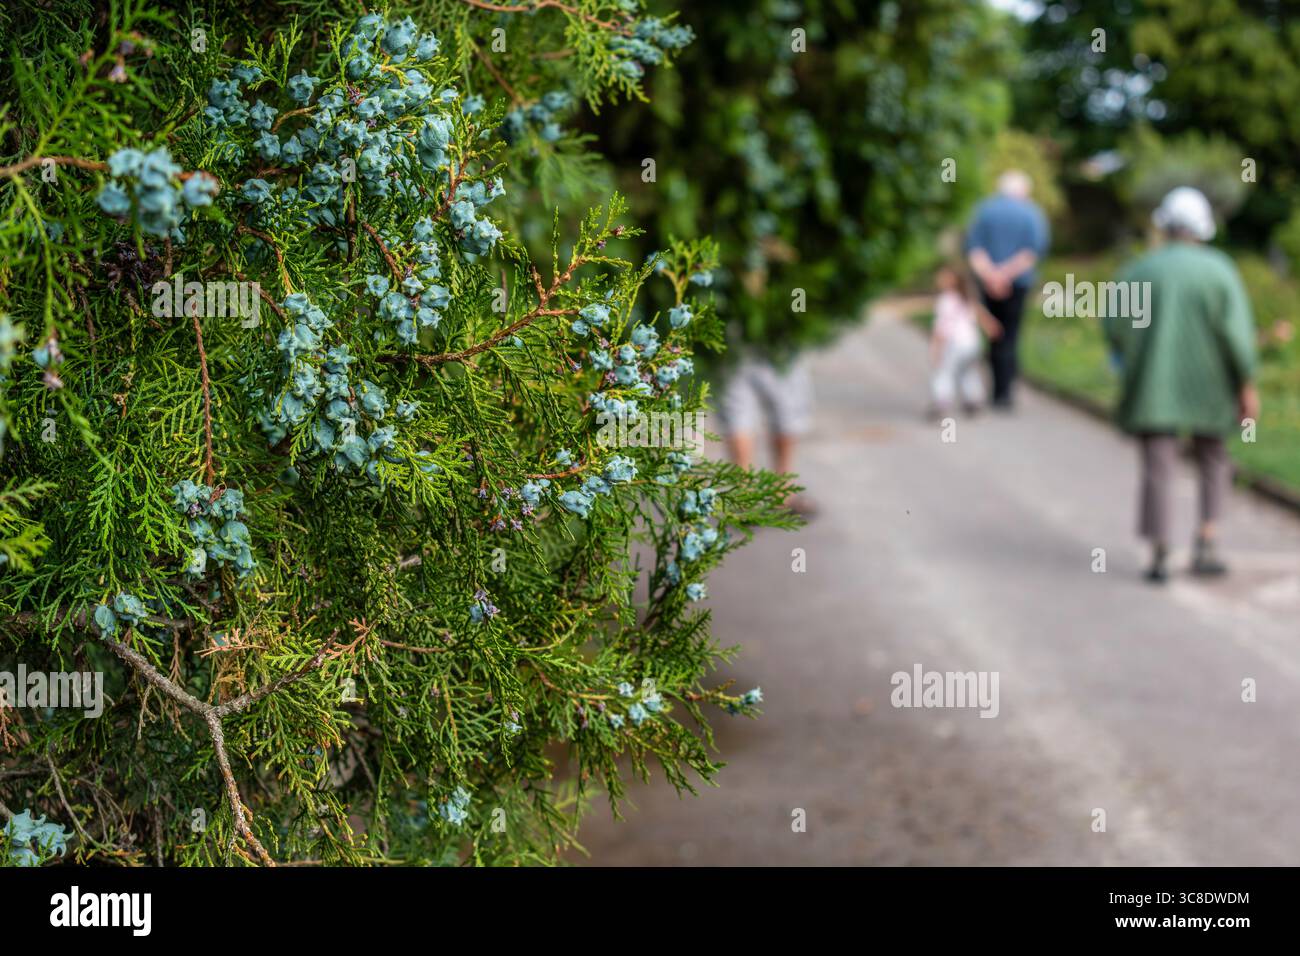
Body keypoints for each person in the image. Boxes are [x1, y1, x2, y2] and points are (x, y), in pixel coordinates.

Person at [1103, 187, 1260, 584]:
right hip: (1211, 386)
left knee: (1158, 466)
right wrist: (1246, 384)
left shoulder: (1140, 271)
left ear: (1165, 226)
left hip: (1156, 384)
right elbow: (1237, 336)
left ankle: (1159, 550)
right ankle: (1207, 541)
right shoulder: (1220, 271)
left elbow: (1115, 328)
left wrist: (1134, 360)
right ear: (1202, 228)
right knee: (1213, 460)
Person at [964, 170, 1050, 409]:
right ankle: (1005, 392)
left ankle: (996, 389)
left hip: (987, 282)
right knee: (1010, 335)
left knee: (992, 334)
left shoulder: (983, 210)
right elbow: (1031, 252)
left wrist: (991, 275)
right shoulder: (1032, 213)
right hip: (1017, 283)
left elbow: (974, 250)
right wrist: (1006, 275)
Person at [719, 351, 816, 515]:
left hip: (731, 343)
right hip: (777, 341)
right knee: (786, 406)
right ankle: (781, 490)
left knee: (737, 410)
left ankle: (744, 495)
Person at [928, 265, 1002, 417]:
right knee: (968, 372)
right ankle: (973, 400)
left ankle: (941, 401)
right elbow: (983, 316)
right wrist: (991, 327)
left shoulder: (946, 300)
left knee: (944, 372)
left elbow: (941, 327)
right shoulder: (967, 298)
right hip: (972, 343)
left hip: (953, 343)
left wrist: (935, 348)